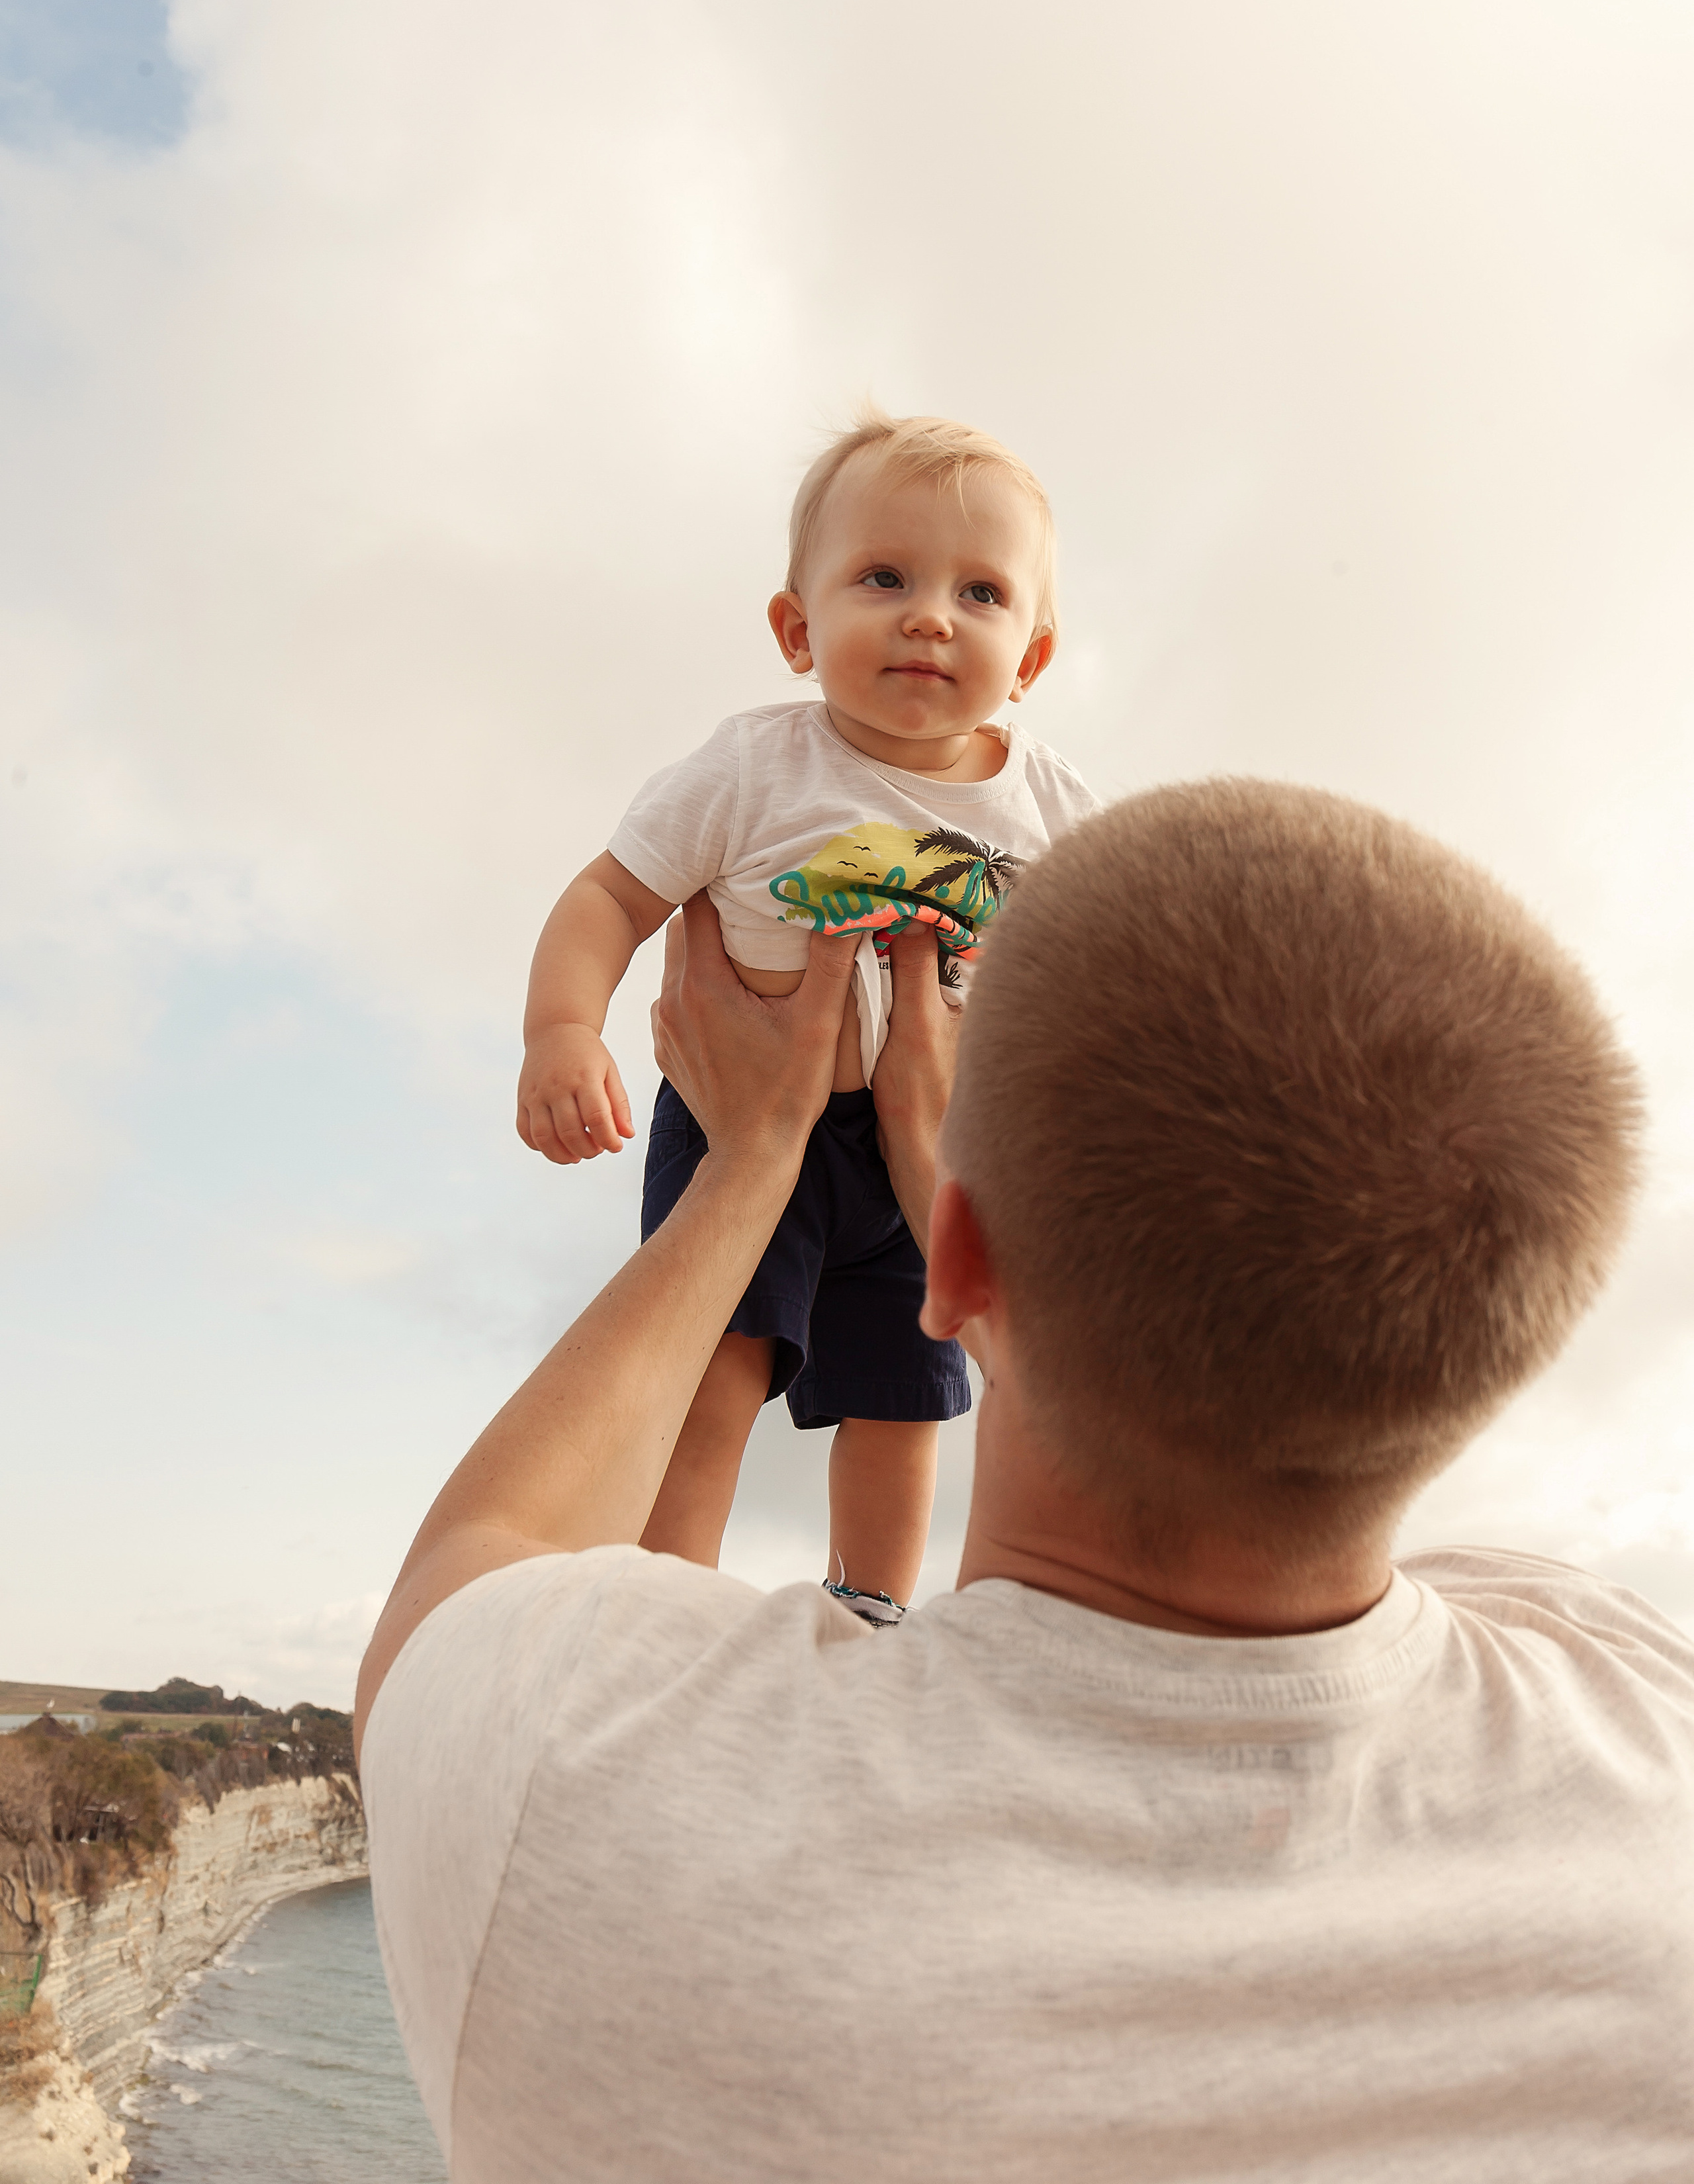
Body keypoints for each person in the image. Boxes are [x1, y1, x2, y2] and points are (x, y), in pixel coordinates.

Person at [357, 779, 1694, 2183]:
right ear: (1510, 1349)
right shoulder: (1635, 1706)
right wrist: (955, 1195)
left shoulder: (583, 1778)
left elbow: (474, 1567)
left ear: (961, 1258)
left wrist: (754, 1158)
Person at [513, 410, 1095, 1619]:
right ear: (796, 629)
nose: (931, 613)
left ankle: (870, 1607)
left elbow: (1113, 971)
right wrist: (561, 1032)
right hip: (745, 1129)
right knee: (711, 1374)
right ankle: (670, 1598)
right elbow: (607, 896)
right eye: (884, 577)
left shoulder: (1054, 809)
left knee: (907, 1393)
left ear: (1030, 660)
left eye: (980, 592)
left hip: (929, 1158)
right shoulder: (755, 768)